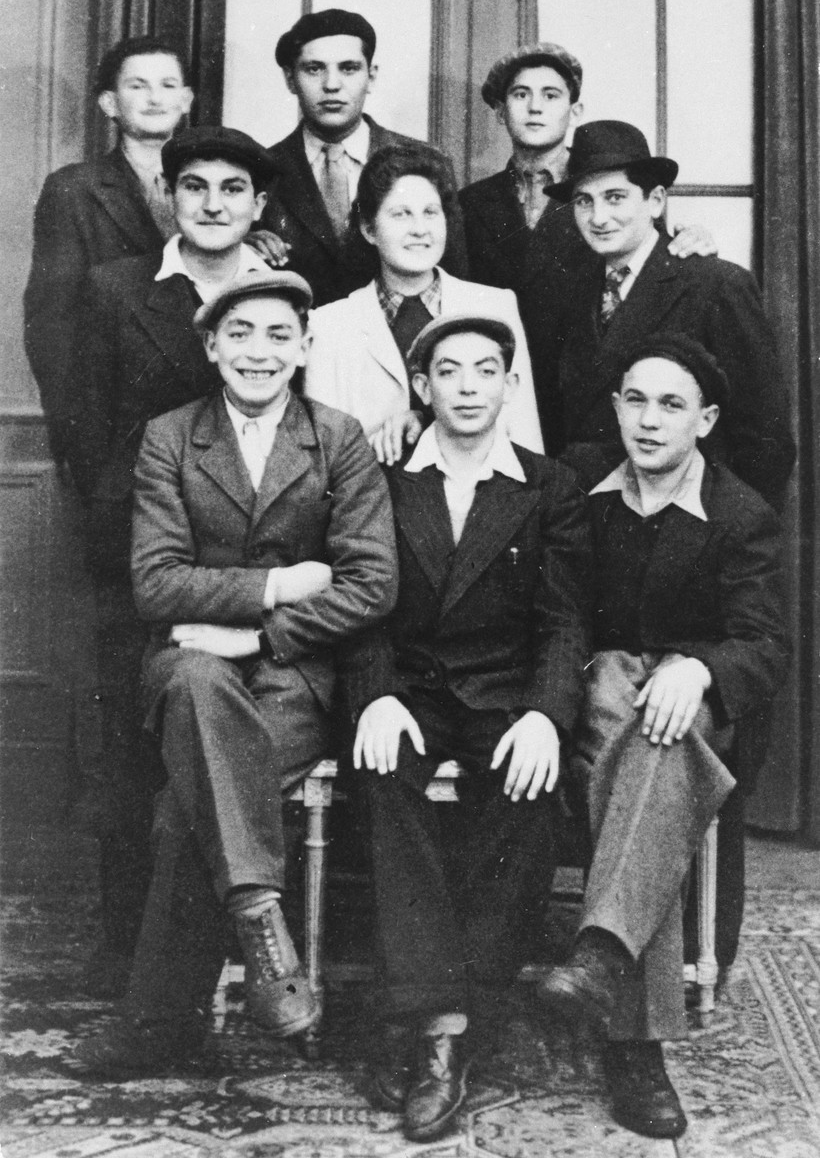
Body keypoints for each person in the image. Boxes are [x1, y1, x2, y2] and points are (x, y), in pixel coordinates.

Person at [74, 270, 398, 1075]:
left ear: (304, 347)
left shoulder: (340, 437)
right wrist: (283, 583)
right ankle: (260, 920)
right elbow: (154, 582)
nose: (260, 352)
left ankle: (158, 1023)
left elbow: (372, 584)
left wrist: (252, 636)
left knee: (184, 810)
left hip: (294, 675)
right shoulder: (171, 437)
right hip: (186, 668)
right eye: (242, 334)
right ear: (212, 345)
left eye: (279, 335)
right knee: (189, 681)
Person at [343, 313, 590, 1142]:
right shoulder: (383, 477)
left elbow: (563, 623)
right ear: (423, 388)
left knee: (532, 792)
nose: (470, 387)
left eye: (488, 371)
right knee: (379, 776)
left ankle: (451, 1015)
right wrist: (374, 695)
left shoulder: (547, 487)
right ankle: (440, 1021)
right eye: (450, 372)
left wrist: (549, 717)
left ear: (510, 385)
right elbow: (364, 605)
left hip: (503, 692)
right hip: (409, 687)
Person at [538, 335, 788, 1140]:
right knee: (627, 715)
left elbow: (766, 642)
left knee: (662, 736)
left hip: (693, 709)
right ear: (615, 407)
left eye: (672, 405)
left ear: (706, 420)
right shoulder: (578, 483)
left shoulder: (739, 512)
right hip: (601, 690)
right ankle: (631, 1031)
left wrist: (702, 666)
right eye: (635, 401)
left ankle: (606, 965)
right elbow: (563, 609)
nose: (649, 421)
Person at [68, 126, 276, 994]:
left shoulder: (279, 296)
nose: (215, 203)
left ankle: (226, 950)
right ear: (170, 197)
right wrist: (129, 524)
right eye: (196, 187)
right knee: (130, 754)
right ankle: (128, 954)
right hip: (141, 552)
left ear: (259, 205)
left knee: (231, 738)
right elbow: (84, 422)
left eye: (235, 189)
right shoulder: (118, 290)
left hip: (257, 550)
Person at [460, 44, 716, 452]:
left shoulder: (609, 189)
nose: (535, 108)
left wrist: (693, 238)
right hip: (507, 402)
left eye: (551, 95)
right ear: (500, 112)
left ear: (575, 112)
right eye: (520, 95)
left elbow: (651, 263)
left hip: (593, 406)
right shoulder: (471, 203)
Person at [544, 119, 796, 510]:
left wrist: (736, 538)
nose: (597, 217)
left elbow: (767, 440)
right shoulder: (570, 290)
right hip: (588, 526)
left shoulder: (715, 284)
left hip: (687, 530)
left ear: (656, 201)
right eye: (583, 201)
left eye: (615, 197)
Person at [306, 145, 543, 463]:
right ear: (369, 229)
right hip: (374, 504)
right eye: (401, 214)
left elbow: (526, 446)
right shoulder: (329, 325)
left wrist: (427, 422)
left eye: (430, 212)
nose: (420, 229)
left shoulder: (496, 306)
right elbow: (324, 462)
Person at [24, 36, 193, 468]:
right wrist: (80, 442)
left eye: (168, 85)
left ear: (187, 99)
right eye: (138, 86)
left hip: (206, 420)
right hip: (121, 434)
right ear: (109, 103)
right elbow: (51, 325)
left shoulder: (222, 188)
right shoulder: (74, 190)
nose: (155, 98)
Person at [258, 8, 467, 306]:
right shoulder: (263, 169)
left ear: (371, 76)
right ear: (290, 79)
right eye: (314, 69)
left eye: (348, 68)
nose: (331, 84)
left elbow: (453, 276)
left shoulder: (425, 162)